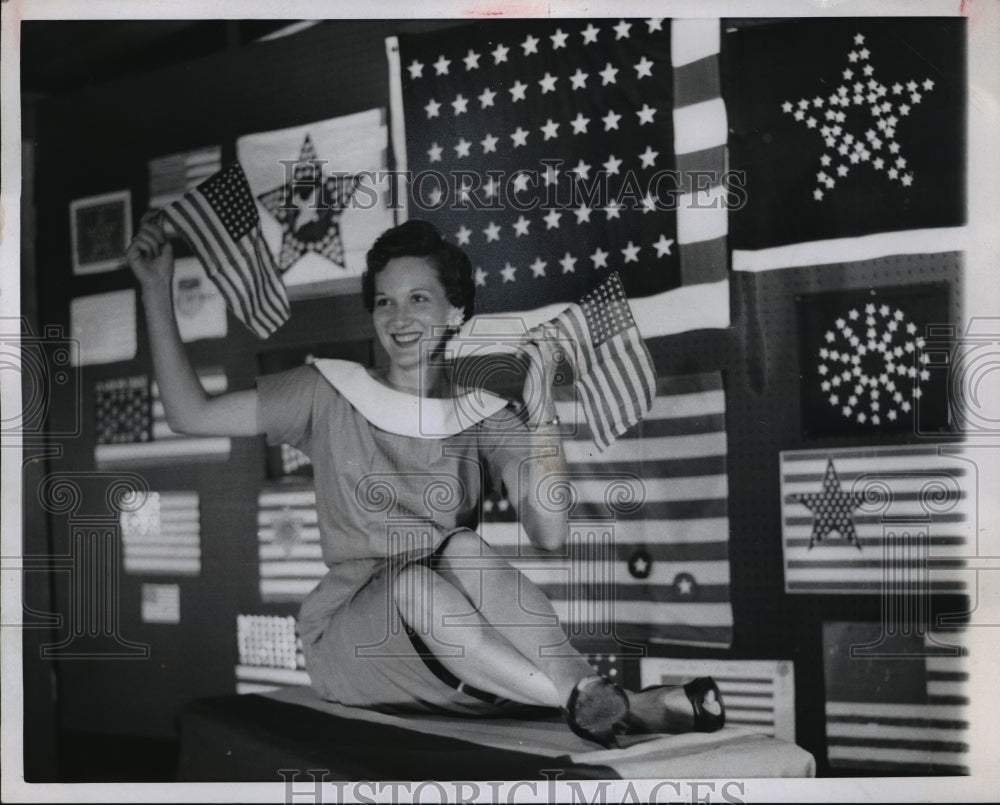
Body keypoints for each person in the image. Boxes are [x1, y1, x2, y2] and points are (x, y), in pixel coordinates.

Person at [126, 216, 724, 747]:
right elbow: (190, 414)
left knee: (461, 547)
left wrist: (542, 414)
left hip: (464, 651)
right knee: (416, 583)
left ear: (455, 310)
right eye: (384, 302)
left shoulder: (484, 413)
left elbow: (549, 531)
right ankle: (614, 702)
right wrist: (156, 289)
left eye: (418, 298)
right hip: (355, 641)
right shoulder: (326, 391)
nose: (400, 318)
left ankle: (587, 696)